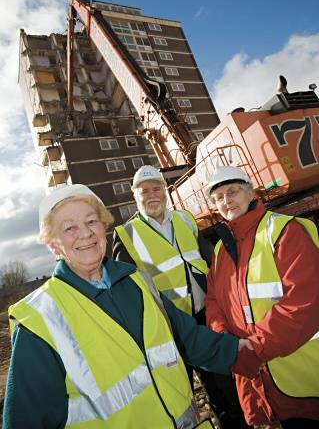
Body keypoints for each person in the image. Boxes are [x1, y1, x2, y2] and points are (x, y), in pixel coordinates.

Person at [3, 183, 253, 429]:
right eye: (69, 228)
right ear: (52, 244)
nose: (86, 233)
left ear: (104, 226)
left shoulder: (138, 281)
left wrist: (243, 350)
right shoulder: (40, 319)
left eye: (92, 221)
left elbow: (188, 336)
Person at [112, 165, 248, 428]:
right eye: (145, 191)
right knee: (181, 396)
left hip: (204, 318)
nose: (152, 195)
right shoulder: (126, 235)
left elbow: (209, 259)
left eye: (157, 189)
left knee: (224, 388)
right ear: (135, 196)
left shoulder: (185, 219)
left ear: (165, 191)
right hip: (169, 328)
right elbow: (129, 293)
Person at [204, 165, 319, 429]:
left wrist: (252, 349)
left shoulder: (283, 231)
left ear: (250, 192)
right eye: (219, 197)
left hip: (303, 378)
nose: (226, 200)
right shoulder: (222, 249)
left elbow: (305, 302)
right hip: (261, 381)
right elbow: (214, 301)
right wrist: (224, 337)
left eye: (232, 191)